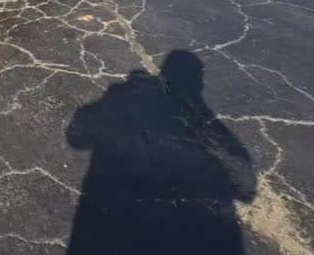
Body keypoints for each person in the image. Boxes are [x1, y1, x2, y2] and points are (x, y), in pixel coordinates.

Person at [67, 51, 256, 254]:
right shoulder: (193, 114)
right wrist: (242, 191)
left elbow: (77, 139)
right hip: (191, 233)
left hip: (121, 222)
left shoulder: (117, 100)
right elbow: (242, 173)